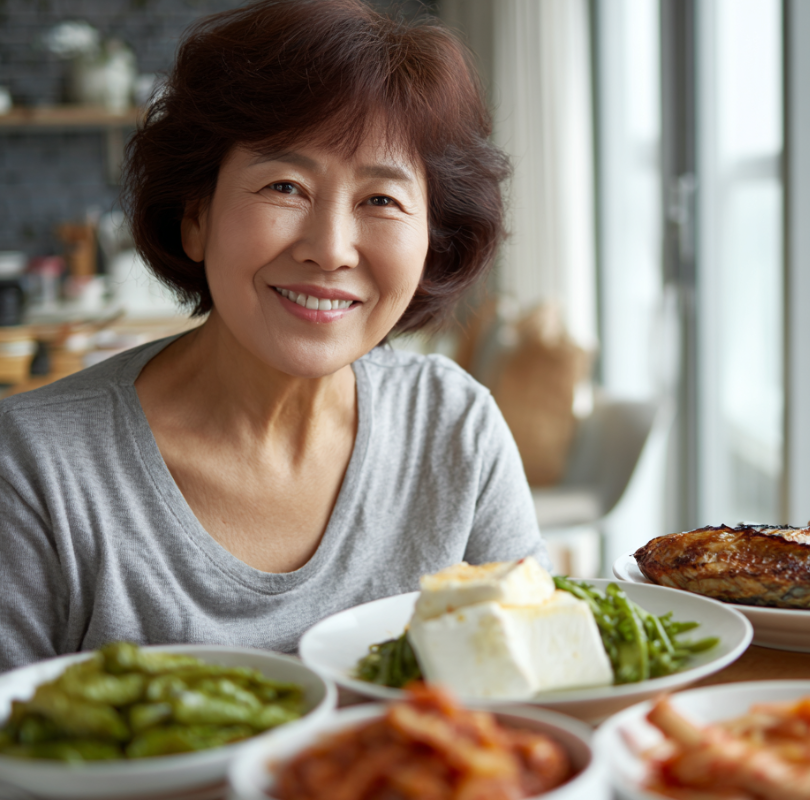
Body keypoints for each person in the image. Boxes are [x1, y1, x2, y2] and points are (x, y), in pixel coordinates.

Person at [0, 0, 549, 673]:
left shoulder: (453, 428)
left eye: (381, 200)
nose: (330, 249)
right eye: (285, 186)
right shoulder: (35, 466)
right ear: (195, 217)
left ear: (432, 240)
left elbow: (541, 700)